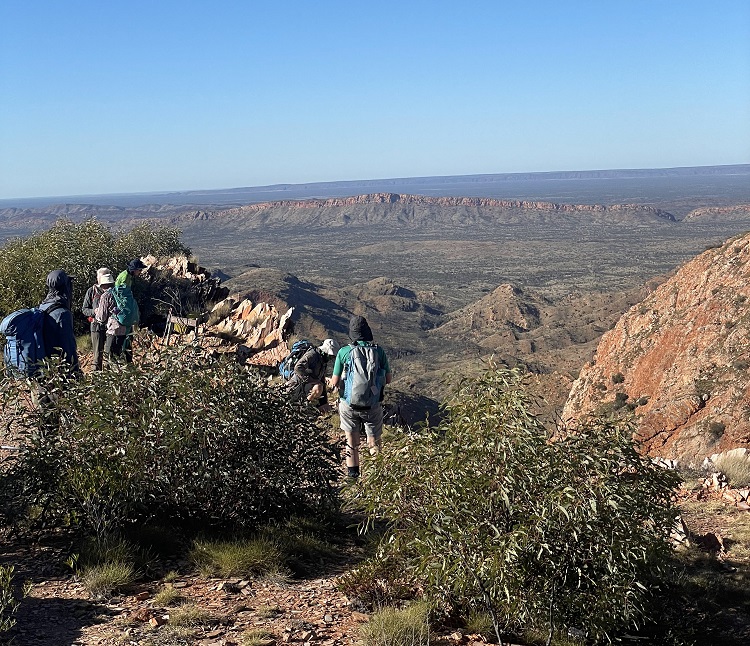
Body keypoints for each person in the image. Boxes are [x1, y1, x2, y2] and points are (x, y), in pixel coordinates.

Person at [328, 315, 391, 479]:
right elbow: (388, 380)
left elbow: (334, 382)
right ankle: (378, 479)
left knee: (351, 442)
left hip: (349, 405)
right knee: (374, 442)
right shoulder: (379, 351)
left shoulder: (344, 352)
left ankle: (353, 478)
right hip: (372, 404)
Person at [39, 269, 81, 376]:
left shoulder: (43, 306)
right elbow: (68, 346)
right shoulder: (62, 313)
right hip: (59, 368)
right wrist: (75, 370)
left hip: (45, 366)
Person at [96, 267, 140, 365]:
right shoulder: (122, 293)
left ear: (102, 285)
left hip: (114, 331)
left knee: (112, 359)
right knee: (127, 358)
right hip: (128, 329)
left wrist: (96, 312)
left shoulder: (105, 296)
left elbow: (101, 317)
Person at [286, 338, 340, 411]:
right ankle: (305, 407)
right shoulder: (312, 355)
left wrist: (324, 403)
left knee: (320, 389)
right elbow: (298, 368)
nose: (331, 358)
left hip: (307, 387)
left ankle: (307, 406)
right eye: (331, 356)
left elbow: (321, 380)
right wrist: (313, 380)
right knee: (318, 387)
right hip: (296, 386)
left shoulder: (323, 360)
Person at [81, 268, 115, 370]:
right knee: (97, 356)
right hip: (97, 327)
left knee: (110, 356)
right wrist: (93, 312)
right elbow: (84, 309)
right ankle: (97, 381)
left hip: (111, 327)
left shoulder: (114, 290)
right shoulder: (92, 291)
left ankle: (110, 380)